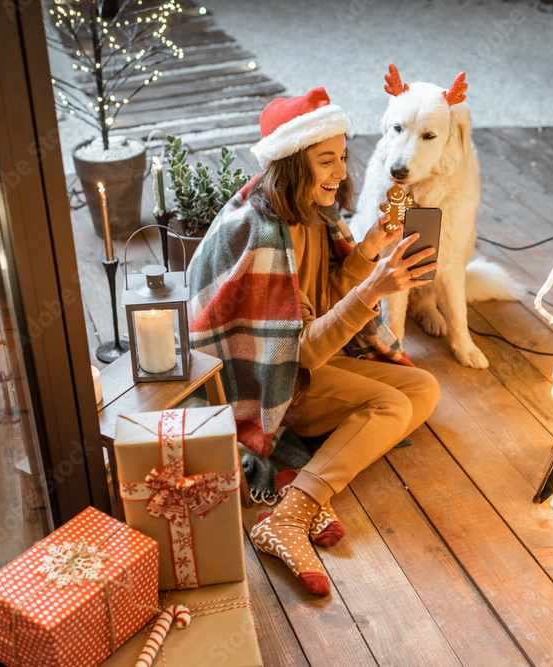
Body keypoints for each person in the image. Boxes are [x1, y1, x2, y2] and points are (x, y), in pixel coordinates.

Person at [188, 87, 440, 596]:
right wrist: (373, 290)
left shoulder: (314, 214)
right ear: (290, 164)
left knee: (424, 390)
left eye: (342, 157)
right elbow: (294, 355)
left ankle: (306, 476)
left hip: (301, 365)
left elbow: (322, 302)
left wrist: (366, 253)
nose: (342, 173)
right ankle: (294, 508)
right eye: (326, 161)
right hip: (266, 387)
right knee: (390, 407)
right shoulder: (261, 236)